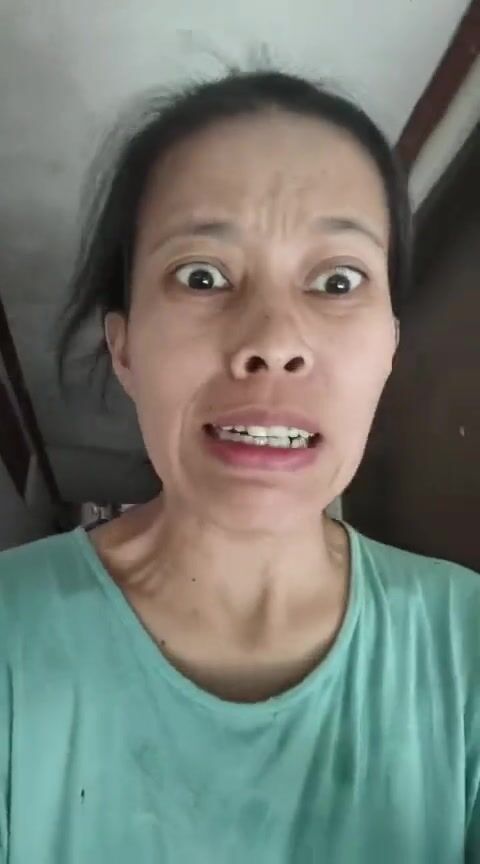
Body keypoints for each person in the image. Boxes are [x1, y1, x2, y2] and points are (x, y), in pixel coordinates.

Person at [0, 70, 478, 863]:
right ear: (125, 348)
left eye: (337, 280)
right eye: (203, 276)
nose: (274, 341)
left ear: (389, 347)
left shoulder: (465, 643)